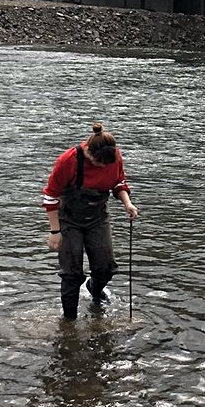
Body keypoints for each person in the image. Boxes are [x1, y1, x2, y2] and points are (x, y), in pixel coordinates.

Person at [42, 123, 139, 320]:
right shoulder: (68, 160)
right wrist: (54, 232)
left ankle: (94, 289)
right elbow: (51, 197)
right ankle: (69, 322)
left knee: (105, 268)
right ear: (88, 151)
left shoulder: (113, 156)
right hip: (68, 219)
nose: (102, 167)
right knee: (71, 274)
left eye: (106, 164)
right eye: (98, 163)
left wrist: (127, 203)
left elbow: (119, 183)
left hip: (97, 218)